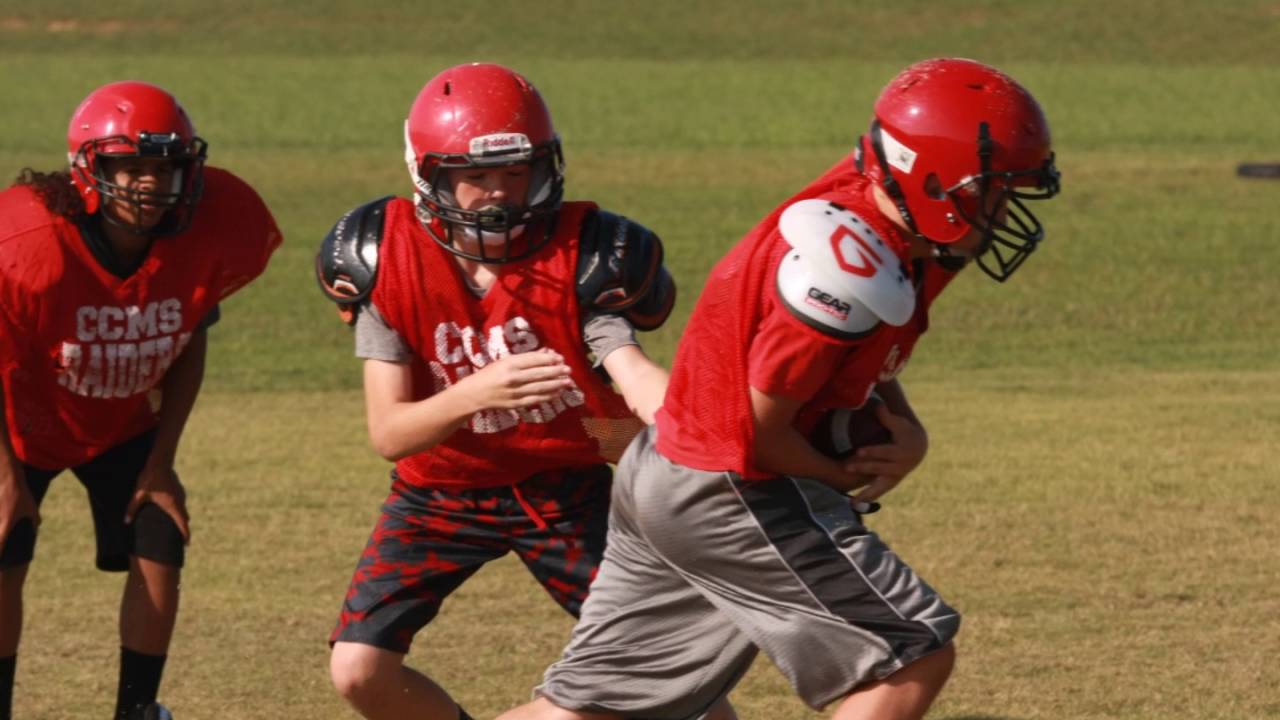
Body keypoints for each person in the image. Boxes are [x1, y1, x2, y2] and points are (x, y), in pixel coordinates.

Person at [496, 57, 1061, 720]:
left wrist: (905, 433)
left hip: (667, 466)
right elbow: (760, 432)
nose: (1001, 210)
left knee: (588, 712)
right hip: (727, 485)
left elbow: (862, 357)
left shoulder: (890, 208)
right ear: (932, 180)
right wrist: (837, 474)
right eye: (991, 189)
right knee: (909, 657)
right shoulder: (841, 272)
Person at [316, 63, 699, 720]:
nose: (499, 194)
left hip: (565, 482)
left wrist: (696, 429)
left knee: (678, 674)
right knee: (358, 669)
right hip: (440, 491)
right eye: (476, 176)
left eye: (516, 173)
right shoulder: (384, 257)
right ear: (428, 175)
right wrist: (477, 391)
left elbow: (633, 375)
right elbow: (389, 433)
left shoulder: (583, 257)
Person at [0, 81, 282, 720]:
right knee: (5, 542)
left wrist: (162, 460)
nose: (153, 185)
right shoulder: (27, 244)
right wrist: (5, 475)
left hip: (121, 419)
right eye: (133, 168)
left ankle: (138, 709)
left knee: (160, 532)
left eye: (167, 167)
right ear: (89, 171)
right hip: (19, 417)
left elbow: (186, 338)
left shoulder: (205, 233)